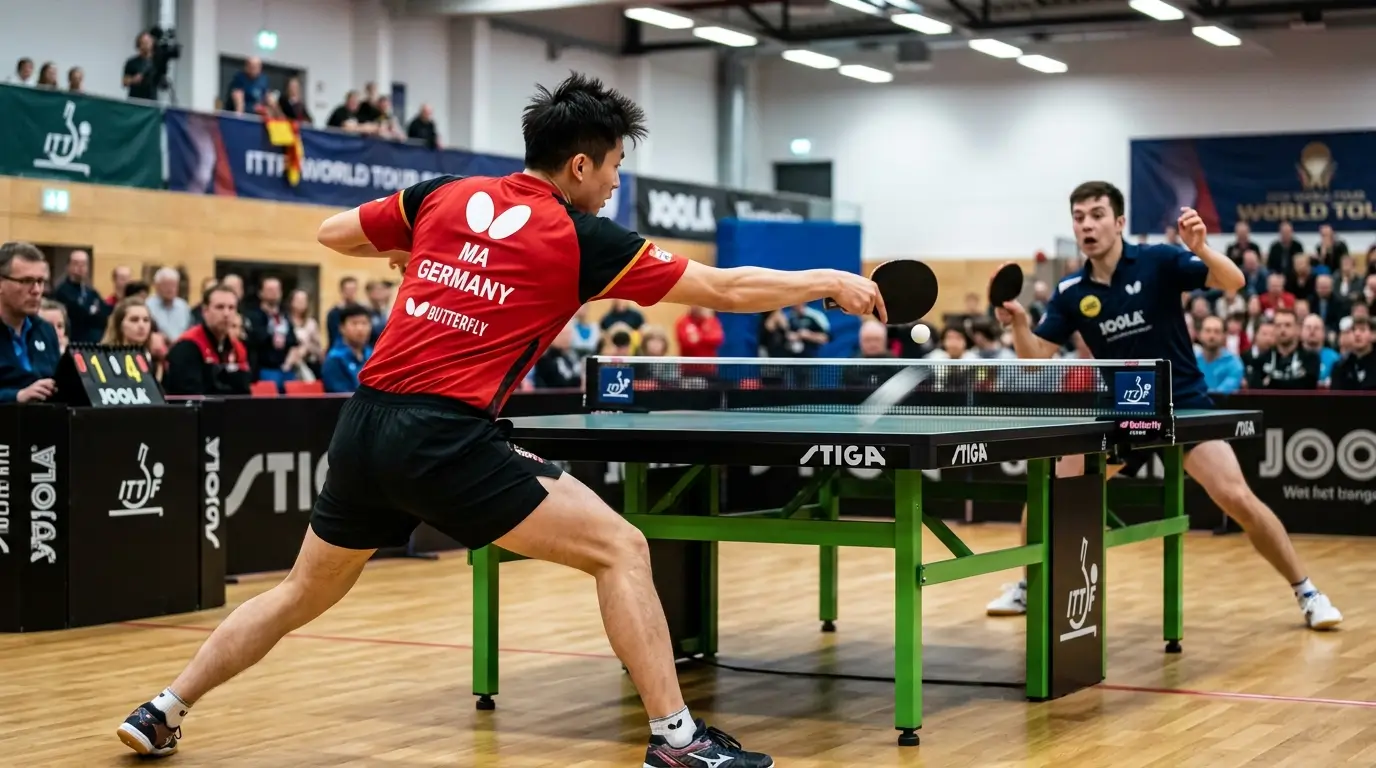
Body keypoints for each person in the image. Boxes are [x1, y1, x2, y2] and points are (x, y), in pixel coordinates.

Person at [116, 72, 882, 765]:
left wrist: (428, 251)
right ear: (580, 165)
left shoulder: (444, 196)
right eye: (614, 165)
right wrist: (829, 281)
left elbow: (333, 234)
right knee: (620, 548)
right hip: (445, 436)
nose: (616, 184)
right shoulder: (582, 238)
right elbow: (722, 287)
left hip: (365, 426)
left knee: (299, 593)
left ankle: (163, 707)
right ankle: (678, 740)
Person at [985, 181, 1342, 632]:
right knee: (1051, 493)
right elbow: (1034, 362)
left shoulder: (1158, 262)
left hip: (1181, 402)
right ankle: (1029, 585)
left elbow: (1233, 282)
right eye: (1079, 217)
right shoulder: (1071, 291)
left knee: (1236, 497)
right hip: (1120, 409)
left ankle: (1307, 591)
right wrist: (1019, 322)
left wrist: (1203, 249)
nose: (1087, 224)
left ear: (1119, 222)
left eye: (1097, 214)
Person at [0, 242, 62, 404]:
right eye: (26, 281)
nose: (36, 290)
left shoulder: (45, 330)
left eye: (40, 281)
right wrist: (17, 396)